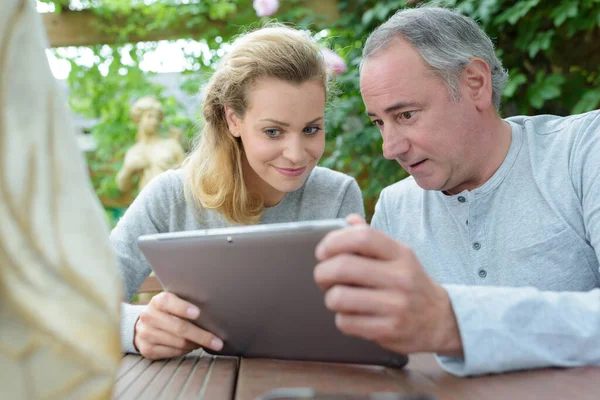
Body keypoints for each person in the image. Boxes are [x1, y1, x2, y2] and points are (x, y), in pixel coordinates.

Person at [313, 6, 600, 376]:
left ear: (475, 84)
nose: (390, 147)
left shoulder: (582, 151)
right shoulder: (396, 207)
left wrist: (452, 321)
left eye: (406, 115)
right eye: (379, 123)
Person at [111, 25, 365, 360]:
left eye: (311, 129)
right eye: (273, 131)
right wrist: (135, 325)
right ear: (233, 120)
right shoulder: (171, 196)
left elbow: (361, 319)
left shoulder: (338, 195)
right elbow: (81, 302)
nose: (296, 153)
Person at [115, 96, 186, 193]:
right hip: (147, 204)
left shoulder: (171, 145)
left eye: (157, 118)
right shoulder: (134, 151)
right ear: (139, 118)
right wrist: (128, 169)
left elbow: (188, 177)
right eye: (150, 116)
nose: (154, 121)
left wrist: (173, 169)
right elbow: (123, 187)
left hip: (171, 202)